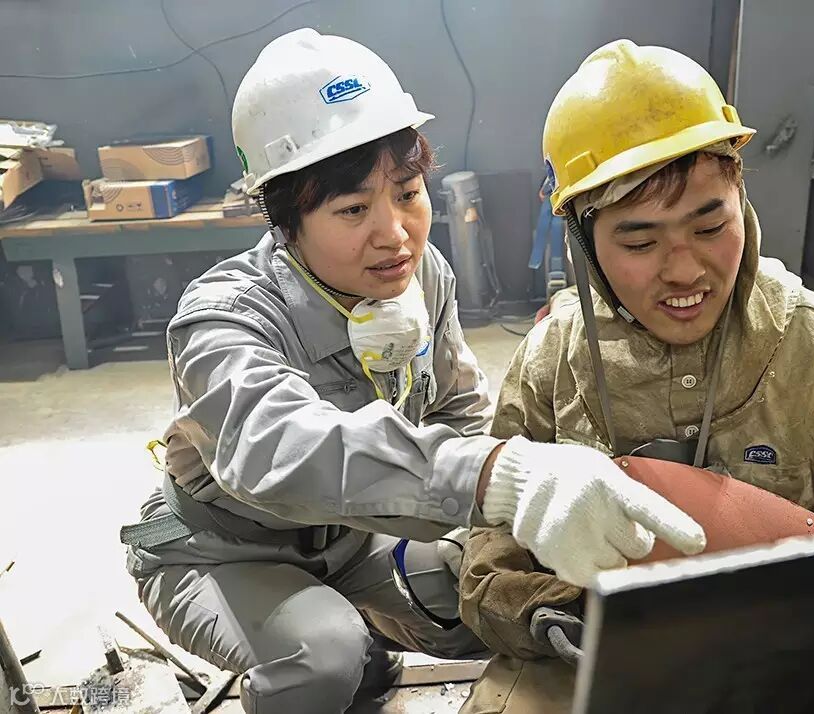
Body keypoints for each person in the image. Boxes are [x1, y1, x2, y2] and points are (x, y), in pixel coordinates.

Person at [118, 29, 706, 714]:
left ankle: (356, 637)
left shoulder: (422, 277)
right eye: (352, 209)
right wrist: (496, 476)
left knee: (495, 597)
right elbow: (278, 452)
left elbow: (457, 411)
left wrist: (492, 528)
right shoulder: (223, 318)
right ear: (285, 221)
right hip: (222, 550)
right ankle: (320, 653)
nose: (396, 233)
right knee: (323, 657)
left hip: (354, 540)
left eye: (407, 191)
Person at [457, 39, 814, 713]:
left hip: (787, 660)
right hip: (585, 654)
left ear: (741, 196)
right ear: (582, 241)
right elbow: (491, 552)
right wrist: (551, 615)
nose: (685, 270)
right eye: (639, 241)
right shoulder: (552, 363)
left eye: (710, 224)